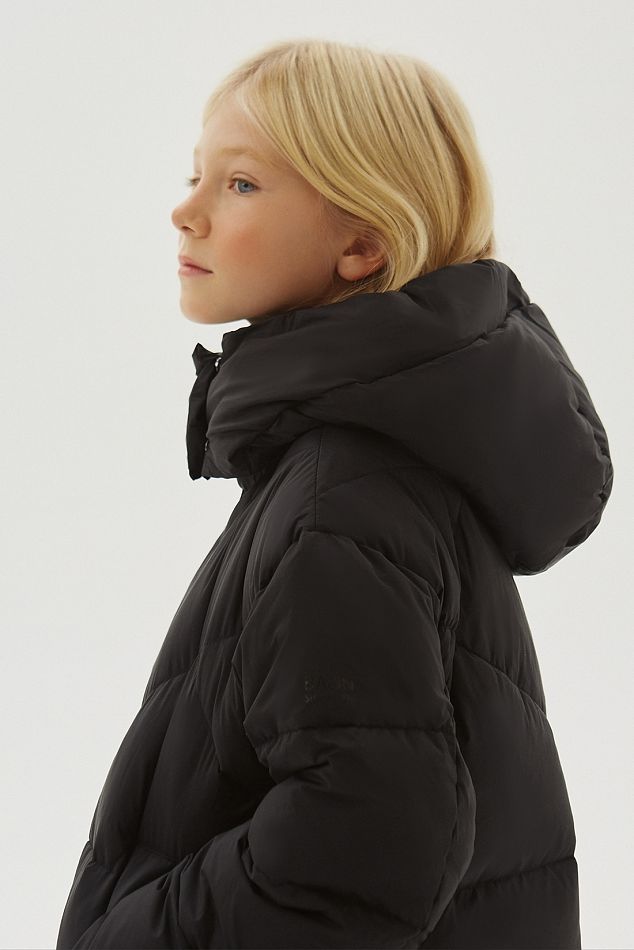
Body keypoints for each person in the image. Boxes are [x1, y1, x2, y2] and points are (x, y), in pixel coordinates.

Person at [55, 38, 613, 949]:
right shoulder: (368, 469)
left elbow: (366, 842)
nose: (185, 212)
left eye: (240, 183)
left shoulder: (343, 496)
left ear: (363, 242)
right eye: (196, 176)